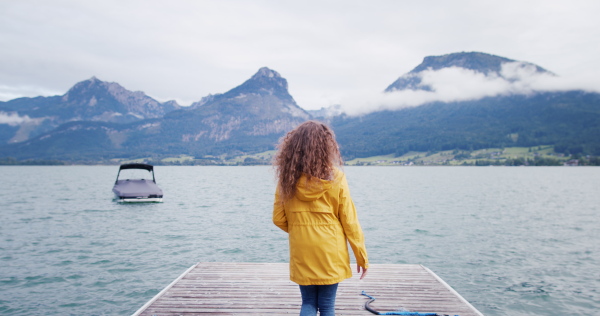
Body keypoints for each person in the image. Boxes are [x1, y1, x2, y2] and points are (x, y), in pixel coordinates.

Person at [272, 120, 369, 316]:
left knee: (308, 302)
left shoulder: (287, 179)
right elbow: (349, 220)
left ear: (294, 147)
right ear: (326, 147)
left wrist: (300, 229)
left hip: (302, 246)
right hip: (330, 248)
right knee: (326, 305)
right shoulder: (337, 177)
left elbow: (278, 218)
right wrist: (361, 257)